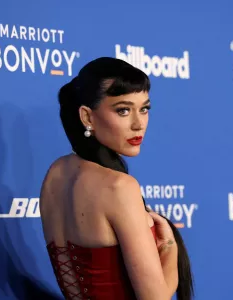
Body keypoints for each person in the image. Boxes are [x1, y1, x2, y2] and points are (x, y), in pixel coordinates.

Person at [39, 57, 194, 300]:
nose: (138, 124)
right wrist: (169, 248)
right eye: (123, 110)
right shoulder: (120, 187)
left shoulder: (55, 173)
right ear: (87, 117)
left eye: (144, 109)